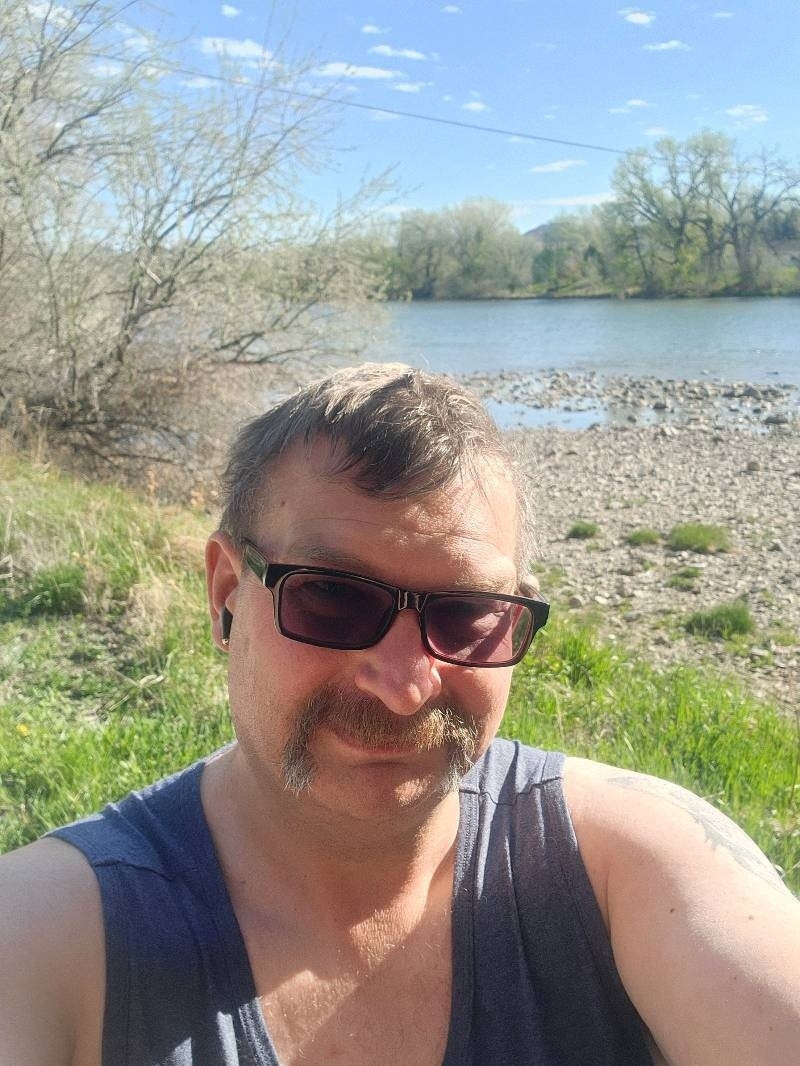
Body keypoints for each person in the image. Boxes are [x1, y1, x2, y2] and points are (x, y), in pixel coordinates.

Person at [1, 364, 798, 1066]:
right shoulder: (55, 931)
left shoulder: (631, 866)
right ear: (226, 596)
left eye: (466, 612)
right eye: (331, 597)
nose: (405, 687)